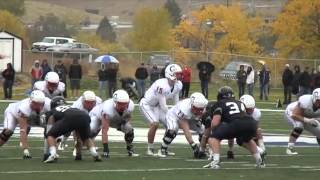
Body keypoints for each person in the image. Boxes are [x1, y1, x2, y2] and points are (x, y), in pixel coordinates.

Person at [202, 86, 265, 169]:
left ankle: (215, 162)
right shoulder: (240, 102)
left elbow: (215, 123)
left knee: (212, 138)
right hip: (251, 123)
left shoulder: (219, 103)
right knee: (247, 139)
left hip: (237, 123)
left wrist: (216, 134)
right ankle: (259, 161)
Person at [139, 64, 182, 156]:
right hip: (147, 105)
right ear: (170, 73)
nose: (179, 76)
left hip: (158, 106)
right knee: (155, 123)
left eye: (179, 74)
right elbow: (163, 105)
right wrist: (172, 115)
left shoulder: (178, 85)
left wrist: (177, 114)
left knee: (174, 126)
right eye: (177, 74)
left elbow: (176, 101)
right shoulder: (161, 85)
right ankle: (150, 148)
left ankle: (164, 147)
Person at [43, 97, 102, 163]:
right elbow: (78, 133)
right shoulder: (71, 107)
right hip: (84, 116)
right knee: (86, 138)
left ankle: (52, 154)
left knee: (50, 135)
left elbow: (49, 126)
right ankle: (94, 153)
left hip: (69, 117)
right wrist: (78, 155)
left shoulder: (53, 111)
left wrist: (46, 152)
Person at [0, 90, 51, 158]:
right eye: (35, 103)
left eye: (41, 103)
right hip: (13, 113)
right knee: (8, 131)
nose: (38, 106)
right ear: (31, 101)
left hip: (31, 116)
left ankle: (49, 151)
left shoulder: (49, 104)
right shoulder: (24, 107)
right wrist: (25, 150)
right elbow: (23, 130)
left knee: (49, 127)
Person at [89, 90, 139, 157]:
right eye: (120, 104)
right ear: (115, 102)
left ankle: (130, 149)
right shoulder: (107, 109)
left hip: (114, 119)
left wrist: (123, 126)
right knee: (92, 129)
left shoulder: (130, 105)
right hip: (97, 116)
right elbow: (104, 130)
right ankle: (81, 142)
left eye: (125, 103)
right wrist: (106, 149)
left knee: (129, 129)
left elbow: (128, 120)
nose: (123, 106)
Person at [158, 92, 208, 157]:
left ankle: (202, 149)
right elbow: (186, 129)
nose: (199, 111)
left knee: (203, 131)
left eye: (201, 109)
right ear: (192, 104)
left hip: (189, 118)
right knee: (173, 129)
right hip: (174, 116)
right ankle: (162, 149)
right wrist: (193, 146)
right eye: (197, 109)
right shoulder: (184, 108)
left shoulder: (202, 107)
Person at [226, 94, 266, 159]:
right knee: (235, 137)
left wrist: (261, 145)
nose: (250, 111)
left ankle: (262, 149)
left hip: (248, 125)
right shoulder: (237, 113)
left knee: (257, 131)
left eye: (251, 109)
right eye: (248, 109)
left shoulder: (256, 113)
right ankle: (230, 150)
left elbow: (257, 129)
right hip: (237, 125)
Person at [285, 88, 320, 155]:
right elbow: (294, 115)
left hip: (308, 116)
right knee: (299, 125)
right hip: (291, 112)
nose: (319, 103)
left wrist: (316, 120)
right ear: (314, 98)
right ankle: (289, 148)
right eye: (318, 101)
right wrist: (308, 120)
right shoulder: (305, 100)